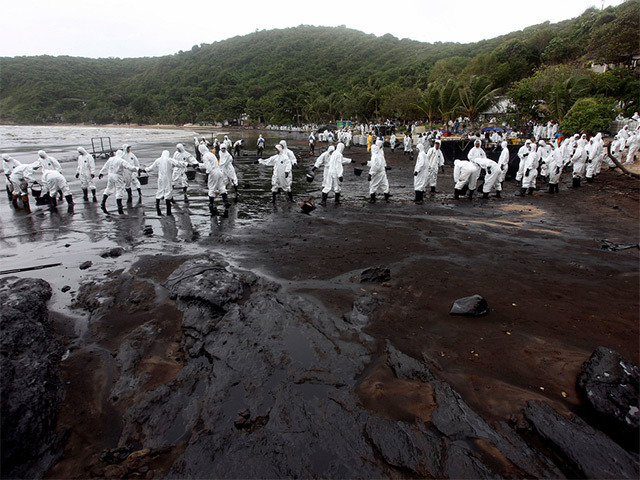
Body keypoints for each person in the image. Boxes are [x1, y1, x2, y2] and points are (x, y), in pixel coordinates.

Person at [144, 150, 188, 216]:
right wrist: (187, 164)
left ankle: (157, 205)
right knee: (168, 191)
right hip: (167, 178)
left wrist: (145, 169)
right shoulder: (169, 160)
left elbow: (151, 167)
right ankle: (168, 209)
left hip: (160, 179)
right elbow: (178, 163)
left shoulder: (158, 160)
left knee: (160, 191)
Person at [98, 150, 140, 214]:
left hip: (110, 175)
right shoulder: (121, 161)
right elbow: (129, 167)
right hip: (117, 176)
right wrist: (137, 169)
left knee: (108, 188)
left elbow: (105, 166)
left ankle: (103, 202)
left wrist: (101, 173)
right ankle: (119, 205)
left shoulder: (111, 159)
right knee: (119, 190)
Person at [200, 144, 229, 216]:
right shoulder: (211, 154)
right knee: (221, 187)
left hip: (213, 173)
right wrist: (199, 165)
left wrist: (207, 174)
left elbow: (208, 167)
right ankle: (226, 201)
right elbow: (212, 163)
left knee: (211, 188)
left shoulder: (205, 156)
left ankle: (211, 204)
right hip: (219, 171)